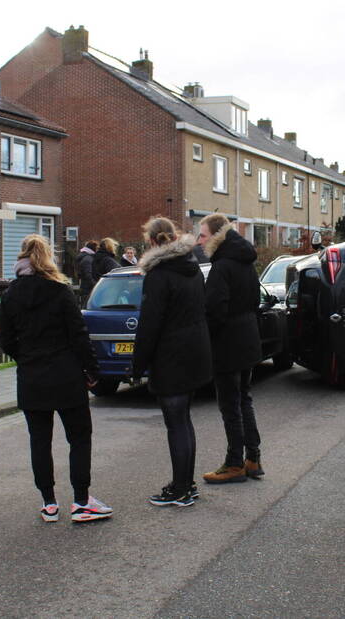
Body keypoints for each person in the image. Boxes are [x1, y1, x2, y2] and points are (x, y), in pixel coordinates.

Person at [0, 234, 112, 523]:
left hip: (32, 377)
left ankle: (49, 503)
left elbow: (6, 340)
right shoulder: (60, 291)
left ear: (22, 258)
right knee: (79, 437)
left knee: (40, 440)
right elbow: (78, 335)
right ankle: (82, 501)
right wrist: (92, 371)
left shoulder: (10, 294)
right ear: (48, 256)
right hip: (66, 375)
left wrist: (25, 359)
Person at [131, 217, 212, 507]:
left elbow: (149, 326)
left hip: (171, 357)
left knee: (176, 424)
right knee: (184, 422)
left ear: (151, 241)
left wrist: (136, 365)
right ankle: (186, 485)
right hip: (195, 352)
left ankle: (180, 489)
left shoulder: (158, 275)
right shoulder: (192, 268)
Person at [197, 213, 263, 484]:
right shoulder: (245, 262)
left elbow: (214, 311)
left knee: (229, 404)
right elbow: (255, 300)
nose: (199, 241)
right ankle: (253, 458)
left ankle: (234, 463)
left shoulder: (222, 266)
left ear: (216, 235)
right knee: (243, 399)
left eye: (202, 235)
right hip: (248, 339)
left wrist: (205, 340)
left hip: (227, 344)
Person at [75, 240, 98, 305]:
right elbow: (88, 275)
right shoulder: (88, 259)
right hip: (88, 289)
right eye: (97, 248)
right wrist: (96, 285)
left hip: (85, 287)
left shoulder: (84, 256)